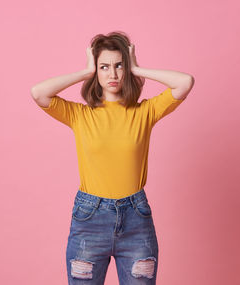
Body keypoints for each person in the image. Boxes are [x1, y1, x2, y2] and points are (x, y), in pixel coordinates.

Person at [30, 31, 194, 285]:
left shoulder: (145, 112)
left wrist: (138, 68)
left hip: (136, 222)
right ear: (96, 71)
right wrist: (86, 72)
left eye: (119, 66)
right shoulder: (80, 115)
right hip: (89, 221)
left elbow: (184, 82)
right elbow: (39, 92)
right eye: (104, 67)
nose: (113, 74)